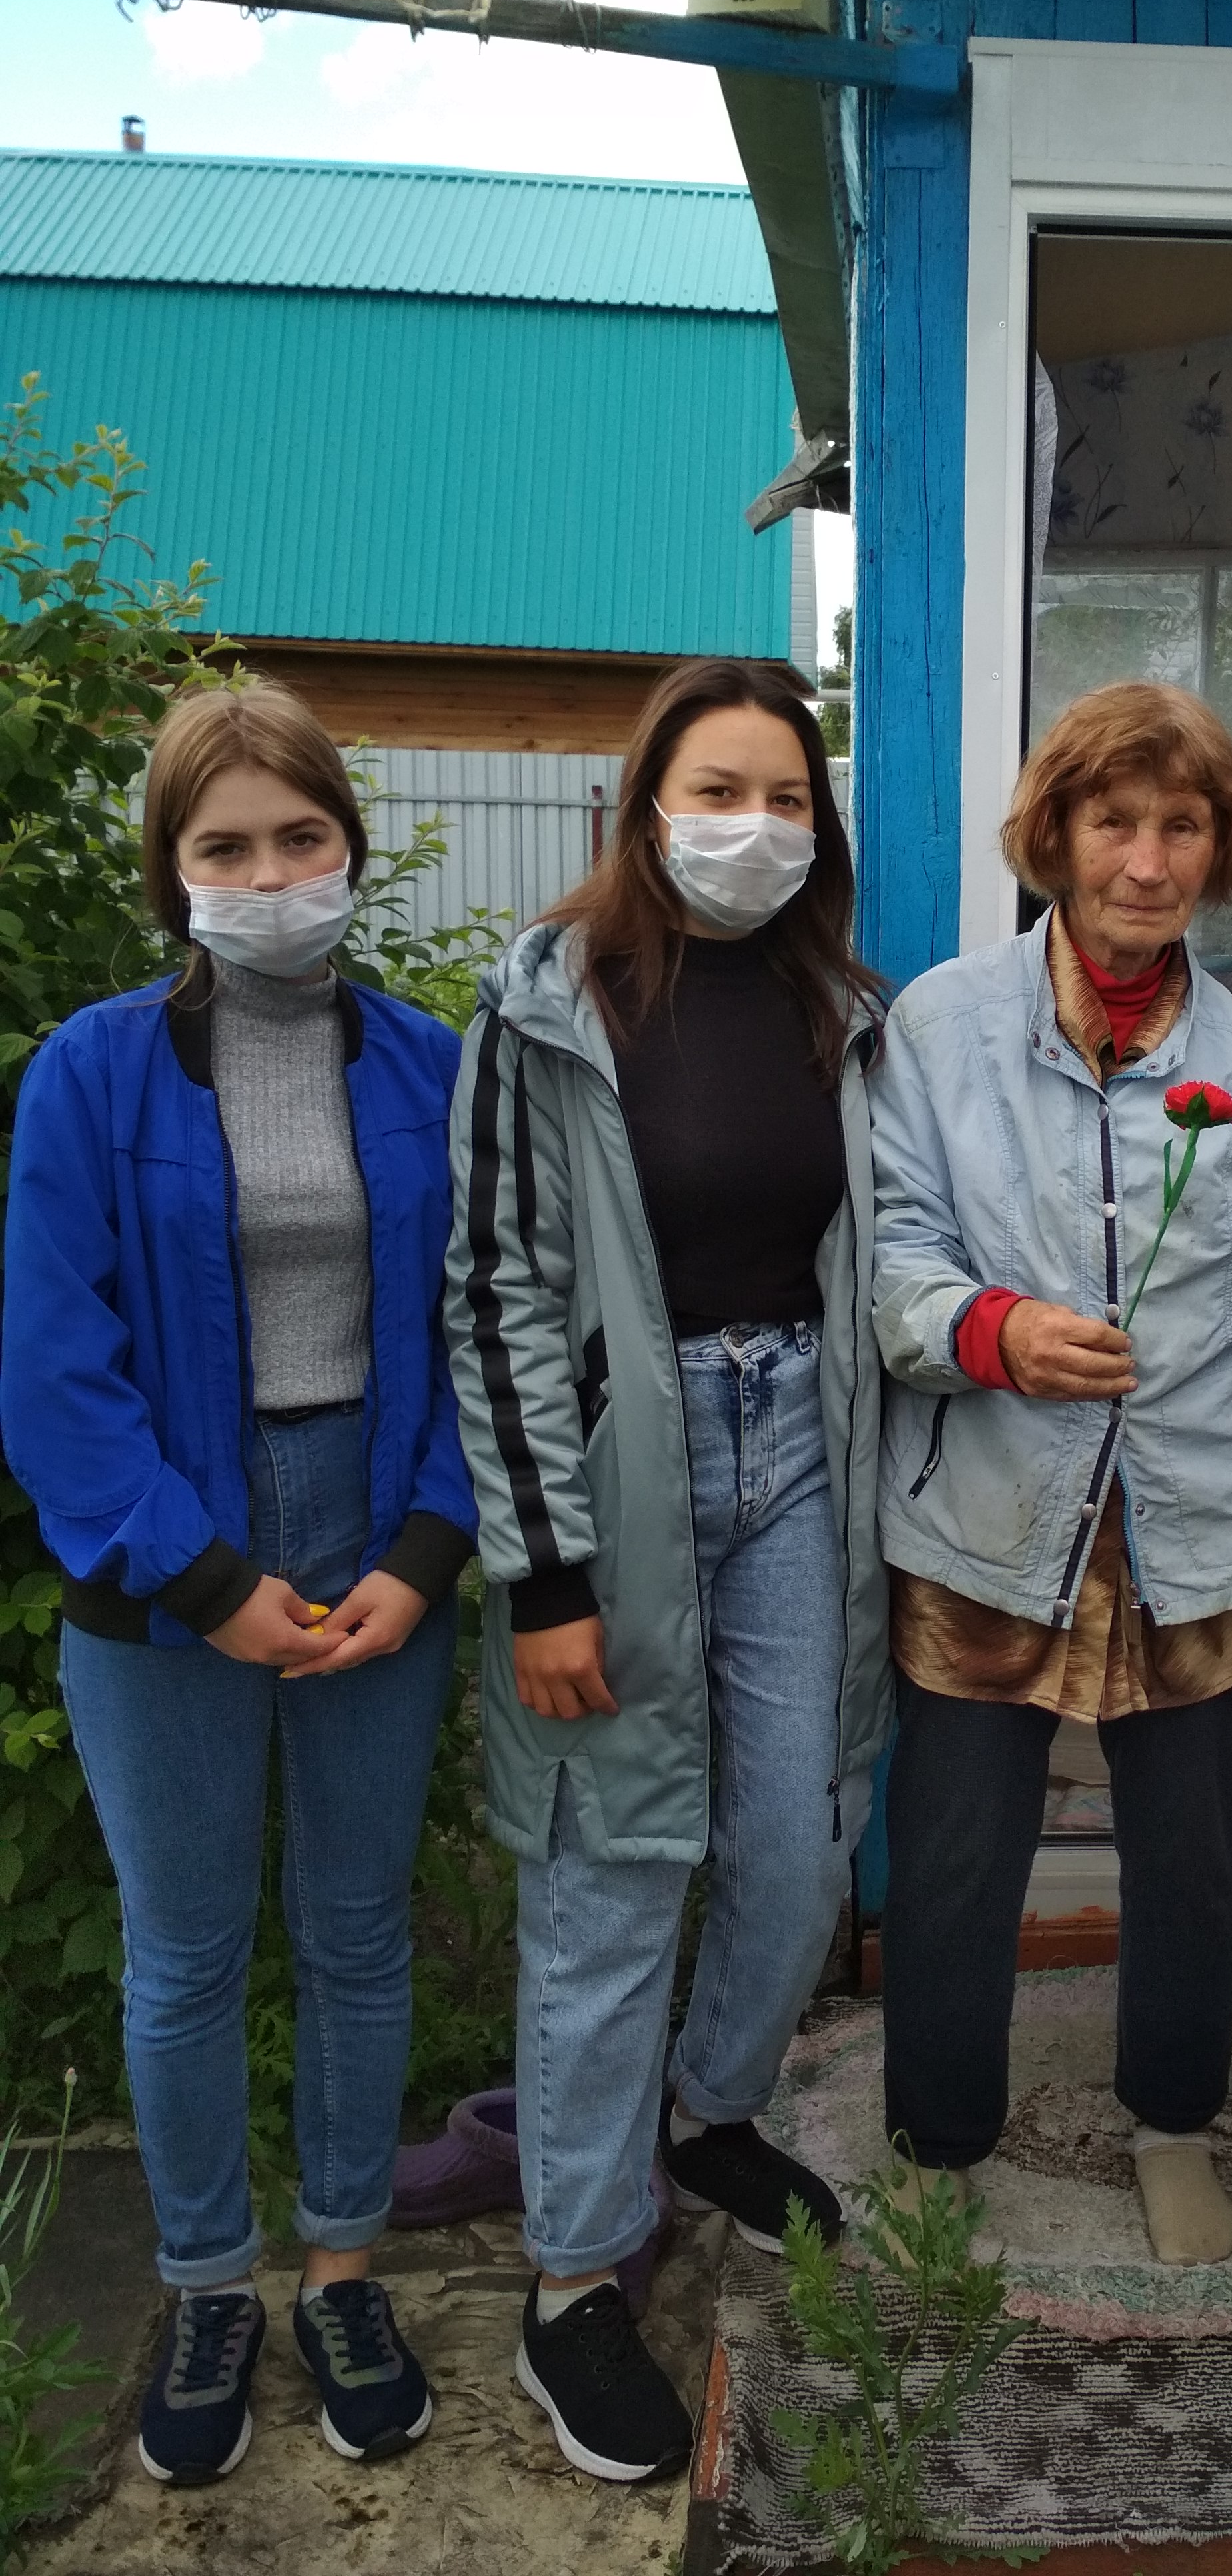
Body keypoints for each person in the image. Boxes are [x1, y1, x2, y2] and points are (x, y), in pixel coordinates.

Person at [1, 680, 476, 2485]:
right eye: (226, 846)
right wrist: (201, 1579)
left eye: (301, 837)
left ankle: (343, 2271)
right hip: (162, 1559)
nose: (270, 876)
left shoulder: (431, 1064)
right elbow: (54, 1369)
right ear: (171, 872)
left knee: (358, 1932)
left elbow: (483, 1329)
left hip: (375, 1537)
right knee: (187, 1950)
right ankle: (208, 2284)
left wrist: (424, 1552)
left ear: (348, 844)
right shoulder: (89, 1071)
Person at [446, 656, 890, 2485]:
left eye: (787, 798)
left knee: (797, 1839)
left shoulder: (837, 1006)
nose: (754, 827)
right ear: (646, 808)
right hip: (620, 1480)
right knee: (613, 1871)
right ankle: (572, 2276)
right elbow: (493, 1293)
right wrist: (543, 1578)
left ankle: (711, 2111)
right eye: (719, 792)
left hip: (800, 1449)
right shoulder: (548, 1002)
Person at [868, 681, 1232, 2267]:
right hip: (987, 1523)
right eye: (1114, 821)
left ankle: (1173, 2128)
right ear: (1056, 834)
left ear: (1220, 848)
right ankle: (938, 2143)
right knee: (956, 1859)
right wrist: (993, 1330)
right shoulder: (938, 1028)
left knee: (1193, 1864)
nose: (1147, 862)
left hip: (1209, 1531)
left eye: (1182, 826)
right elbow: (889, 1259)